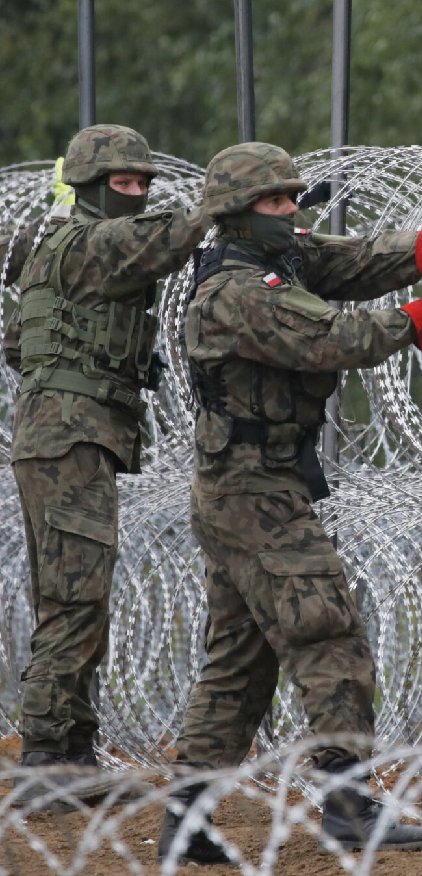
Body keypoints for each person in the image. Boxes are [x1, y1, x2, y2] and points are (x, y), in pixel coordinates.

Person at [158, 141, 422, 864]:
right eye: (275, 202)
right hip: (255, 496)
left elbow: (358, 261)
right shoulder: (237, 292)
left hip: (247, 488)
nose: (292, 212)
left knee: (239, 664)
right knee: (330, 636)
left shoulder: (279, 257)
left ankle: (185, 821)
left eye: (294, 197)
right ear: (235, 215)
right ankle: (350, 805)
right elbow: (340, 337)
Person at [6, 124, 209, 806]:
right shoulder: (89, 240)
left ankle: (71, 759)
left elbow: (18, 345)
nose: (139, 194)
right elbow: (158, 243)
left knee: (71, 597)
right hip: (72, 437)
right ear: (92, 188)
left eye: (144, 183)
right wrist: (224, 204)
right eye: (125, 183)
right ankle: (44, 761)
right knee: (75, 603)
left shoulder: (47, 250)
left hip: (58, 434)